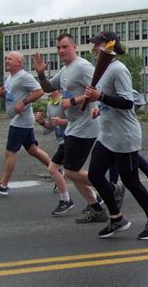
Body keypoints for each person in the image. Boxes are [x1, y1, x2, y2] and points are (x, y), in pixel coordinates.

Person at [84, 31, 148, 239]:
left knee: (131, 182)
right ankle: (117, 218)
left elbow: (128, 102)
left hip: (125, 137)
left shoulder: (119, 69)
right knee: (94, 174)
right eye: (93, 45)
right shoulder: (103, 69)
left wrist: (100, 96)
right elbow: (109, 100)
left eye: (97, 44)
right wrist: (99, 106)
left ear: (109, 45)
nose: (93, 48)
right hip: (108, 136)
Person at [33, 33, 124, 224]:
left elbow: (100, 89)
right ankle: (96, 207)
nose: (61, 51)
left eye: (65, 47)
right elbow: (49, 87)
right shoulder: (66, 70)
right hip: (73, 126)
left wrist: (75, 100)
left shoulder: (82, 67)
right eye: (59, 48)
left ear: (74, 47)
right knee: (71, 171)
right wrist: (41, 73)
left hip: (86, 126)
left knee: (71, 171)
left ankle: (110, 188)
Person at [0, 52, 51, 195]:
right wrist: (2, 93)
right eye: (6, 58)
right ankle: (57, 169)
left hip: (20, 120)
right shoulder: (10, 77)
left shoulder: (24, 76)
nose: (6, 61)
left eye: (10, 59)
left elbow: (40, 91)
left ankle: (3, 186)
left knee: (10, 152)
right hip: (20, 119)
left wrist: (24, 102)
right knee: (33, 150)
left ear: (19, 63)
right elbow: (12, 96)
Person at [108, 91, 148, 197]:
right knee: (128, 155)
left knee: (116, 154)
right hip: (119, 125)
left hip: (124, 127)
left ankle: (113, 187)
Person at [35, 89, 75, 216]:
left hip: (71, 139)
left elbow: (76, 119)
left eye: (50, 85)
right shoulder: (50, 103)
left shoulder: (65, 101)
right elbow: (51, 126)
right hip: (62, 142)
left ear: (58, 89)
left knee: (68, 171)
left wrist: (62, 122)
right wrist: (41, 122)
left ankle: (66, 199)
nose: (46, 88)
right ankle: (96, 195)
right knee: (67, 171)